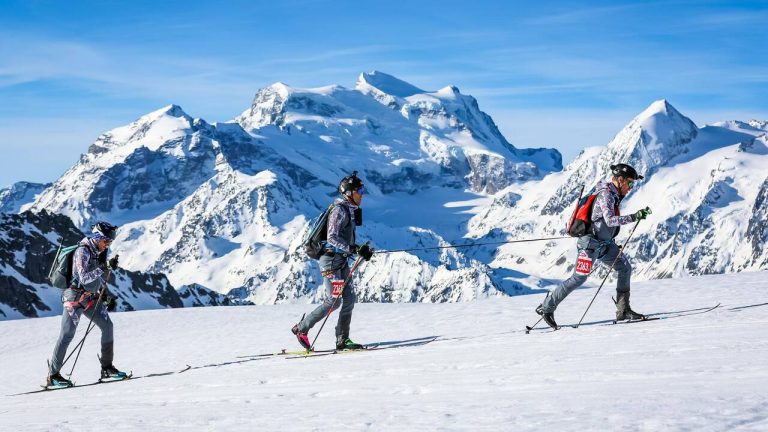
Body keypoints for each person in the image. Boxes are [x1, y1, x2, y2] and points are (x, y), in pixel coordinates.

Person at [536, 163, 652, 329]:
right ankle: (546, 307)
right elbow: (610, 220)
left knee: (625, 268)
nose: (631, 188)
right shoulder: (606, 195)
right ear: (620, 180)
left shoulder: (613, 195)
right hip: (589, 245)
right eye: (630, 183)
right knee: (579, 278)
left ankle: (623, 310)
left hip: (605, 245)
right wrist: (635, 216)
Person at [292, 171, 373, 351]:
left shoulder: (349, 210)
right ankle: (301, 328)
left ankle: (342, 339)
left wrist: (360, 249)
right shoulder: (339, 210)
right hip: (330, 262)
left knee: (350, 299)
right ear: (349, 193)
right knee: (333, 302)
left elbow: (344, 241)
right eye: (359, 190)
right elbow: (332, 238)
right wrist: (353, 249)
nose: (362, 194)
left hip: (341, 261)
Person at [46, 221, 127, 387]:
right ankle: (53, 375)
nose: (108, 245)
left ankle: (107, 368)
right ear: (98, 237)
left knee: (107, 326)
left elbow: (95, 280)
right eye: (106, 241)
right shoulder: (83, 251)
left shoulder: (97, 251)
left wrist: (104, 298)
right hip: (74, 298)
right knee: (67, 334)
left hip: (90, 298)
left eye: (110, 242)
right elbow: (84, 278)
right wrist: (105, 266)